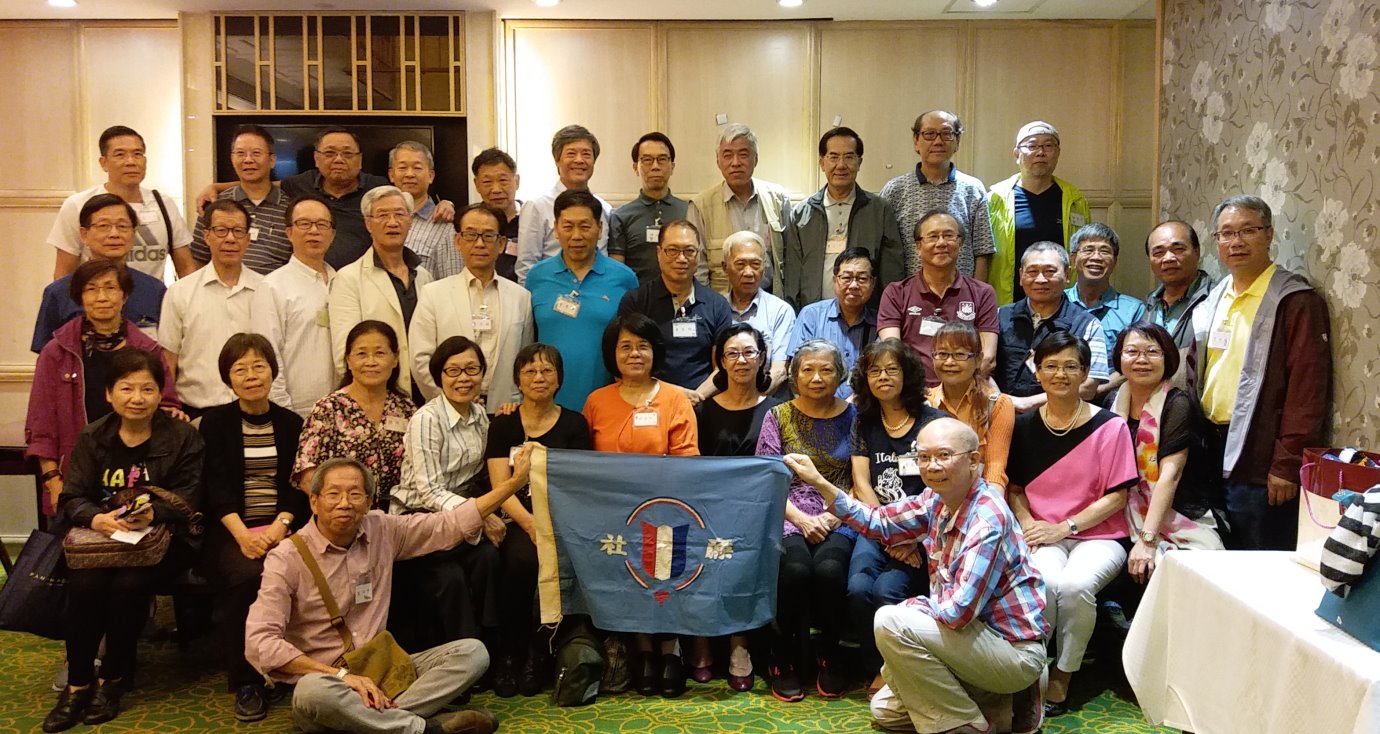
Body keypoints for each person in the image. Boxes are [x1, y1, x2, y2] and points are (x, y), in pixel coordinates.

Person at [782, 418, 1048, 734]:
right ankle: (997, 706)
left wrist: (908, 611)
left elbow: (958, 612)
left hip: (1009, 648)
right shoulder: (936, 500)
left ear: (973, 460)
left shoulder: (987, 518)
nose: (932, 466)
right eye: (923, 457)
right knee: (884, 710)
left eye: (944, 455)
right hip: (968, 645)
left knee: (891, 621)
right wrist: (819, 481)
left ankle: (970, 723)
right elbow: (879, 522)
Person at [246, 452, 536, 734]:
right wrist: (341, 676)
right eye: (333, 494)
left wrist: (512, 485)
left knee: (473, 653)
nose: (344, 503)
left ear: (368, 501)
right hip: (330, 682)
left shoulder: (381, 530)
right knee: (311, 693)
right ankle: (423, 728)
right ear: (314, 501)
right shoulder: (287, 558)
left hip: (386, 673)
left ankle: (375, 723)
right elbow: (260, 642)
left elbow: (449, 524)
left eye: (355, 494)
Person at [44, 349, 204, 732]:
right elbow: (72, 497)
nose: (137, 398)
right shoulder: (93, 436)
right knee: (85, 583)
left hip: (166, 540)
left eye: (147, 389)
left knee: (129, 584)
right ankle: (78, 684)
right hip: (105, 538)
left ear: (160, 393)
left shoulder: (182, 437)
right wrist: (95, 517)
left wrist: (155, 513)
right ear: (109, 394)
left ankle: (112, 679)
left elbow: (192, 497)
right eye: (126, 388)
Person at [1005, 331, 1136, 716]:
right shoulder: (1024, 426)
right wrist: (1027, 522)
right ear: (1037, 372)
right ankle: (1035, 667)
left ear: (1084, 373)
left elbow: (1118, 496)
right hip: (1042, 532)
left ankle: (1064, 672)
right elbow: (1014, 488)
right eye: (1051, 366)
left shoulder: (1110, 426)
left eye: (1070, 367)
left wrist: (1064, 528)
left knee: (1076, 586)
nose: (1060, 374)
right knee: (1043, 582)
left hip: (1099, 535)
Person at [1190, 195, 1330, 551]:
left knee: (1257, 560)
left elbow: (1307, 390)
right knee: (1216, 557)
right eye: (1226, 233)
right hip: (1211, 449)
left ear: (1268, 234)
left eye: (1247, 230)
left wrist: (1287, 464)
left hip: (1261, 457)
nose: (1236, 242)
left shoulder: (1294, 300)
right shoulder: (1214, 298)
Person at [583, 313, 699, 697]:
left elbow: (687, 460)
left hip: (666, 507)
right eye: (626, 347)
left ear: (655, 352)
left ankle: (670, 650)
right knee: (624, 572)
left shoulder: (675, 398)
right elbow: (585, 463)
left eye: (643, 346)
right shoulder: (596, 401)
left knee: (664, 566)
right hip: (612, 510)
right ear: (612, 354)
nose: (635, 354)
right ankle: (643, 651)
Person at [198, 333, 309, 722]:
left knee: (304, 569)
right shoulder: (215, 423)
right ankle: (247, 679)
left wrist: (280, 526)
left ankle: (296, 664)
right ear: (227, 378)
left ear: (272, 371)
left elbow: (298, 486)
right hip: (231, 530)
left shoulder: (292, 423)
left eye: (258, 366)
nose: (251, 375)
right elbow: (214, 487)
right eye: (240, 369)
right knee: (249, 577)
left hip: (282, 527)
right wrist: (243, 536)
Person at [26, 260, 180, 520]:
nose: (101, 297)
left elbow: (167, 406)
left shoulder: (148, 350)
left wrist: (172, 413)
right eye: (91, 289)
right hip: (73, 480)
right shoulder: (56, 352)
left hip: (136, 484)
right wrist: (53, 481)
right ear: (79, 297)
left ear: (125, 295)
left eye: (110, 288)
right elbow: (41, 426)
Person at [483, 343, 593, 697]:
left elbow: (577, 485)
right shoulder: (503, 424)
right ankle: (509, 654)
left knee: (556, 558)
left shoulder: (575, 424)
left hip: (560, 518)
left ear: (559, 379)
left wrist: (548, 525)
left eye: (547, 370)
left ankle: (539, 653)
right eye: (529, 371)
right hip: (517, 517)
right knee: (520, 559)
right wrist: (530, 524)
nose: (539, 377)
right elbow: (500, 486)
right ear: (518, 379)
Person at [755, 339, 857, 702]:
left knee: (830, 570)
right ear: (795, 375)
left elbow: (860, 478)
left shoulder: (856, 417)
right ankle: (782, 657)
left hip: (840, 512)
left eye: (826, 370)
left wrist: (833, 514)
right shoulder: (777, 415)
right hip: (788, 511)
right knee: (795, 570)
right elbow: (768, 477)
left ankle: (829, 652)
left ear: (840, 375)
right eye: (808, 370)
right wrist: (801, 519)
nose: (817, 378)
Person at [388, 337, 503, 658]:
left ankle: (493, 650)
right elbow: (429, 490)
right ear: (439, 376)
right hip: (417, 516)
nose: (463, 378)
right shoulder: (427, 419)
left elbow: (479, 476)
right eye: (453, 371)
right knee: (450, 579)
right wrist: (478, 515)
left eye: (471, 369)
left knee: (489, 560)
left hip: (459, 517)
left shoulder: (480, 416)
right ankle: (461, 660)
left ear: (482, 373)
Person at [845, 339, 947, 694]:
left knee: (887, 590)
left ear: (908, 375)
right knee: (858, 589)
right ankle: (877, 667)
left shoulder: (934, 423)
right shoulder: (864, 422)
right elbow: (861, 483)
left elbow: (944, 490)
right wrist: (888, 533)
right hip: (879, 528)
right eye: (874, 371)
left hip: (923, 533)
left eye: (892, 369)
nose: (883, 377)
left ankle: (900, 669)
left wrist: (910, 536)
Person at [694, 323, 782, 692]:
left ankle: (739, 644)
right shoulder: (703, 410)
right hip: (708, 507)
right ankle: (700, 643)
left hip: (759, 510)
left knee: (746, 557)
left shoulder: (777, 410)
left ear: (761, 359)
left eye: (749, 352)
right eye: (732, 354)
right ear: (721, 362)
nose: (741, 360)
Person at [1109, 322, 1224, 588]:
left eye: (1152, 352)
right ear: (1119, 357)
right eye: (1132, 352)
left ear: (1167, 357)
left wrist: (1148, 539)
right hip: (1123, 511)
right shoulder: (1114, 403)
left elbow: (1170, 477)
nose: (1142, 360)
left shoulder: (1177, 403)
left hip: (1177, 512)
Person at [526, 189, 640, 410]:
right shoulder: (536, 277)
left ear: (600, 229)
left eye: (585, 226)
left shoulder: (624, 278)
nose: (576, 235)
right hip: (547, 405)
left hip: (608, 403)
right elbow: (527, 340)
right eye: (568, 226)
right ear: (556, 229)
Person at [410, 203, 534, 409]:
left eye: (488, 236)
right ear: (458, 241)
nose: (479, 243)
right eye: (470, 235)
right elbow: (420, 358)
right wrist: (449, 399)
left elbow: (525, 359)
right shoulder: (433, 294)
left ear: (501, 244)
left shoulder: (521, 297)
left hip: (504, 409)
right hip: (449, 409)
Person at [158, 199, 272, 415]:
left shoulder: (266, 289)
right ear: (206, 236)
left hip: (255, 408)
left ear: (248, 239)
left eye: (238, 231)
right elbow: (169, 357)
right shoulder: (180, 292)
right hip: (195, 411)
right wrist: (167, 408)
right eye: (221, 230)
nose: (230, 238)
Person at [49, 125, 196, 280]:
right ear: (103, 163)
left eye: (137, 154)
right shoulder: (78, 205)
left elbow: (186, 267)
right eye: (120, 155)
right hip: (99, 294)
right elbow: (63, 273)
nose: (131, 162)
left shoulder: (164, 204)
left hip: (152, 294)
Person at [328, 185, 435, 399]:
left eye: (399, 214)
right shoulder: (348, 279)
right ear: (368, 224)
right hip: (377, 396)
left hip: (426, 392)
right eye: (382, 215)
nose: (392, 222)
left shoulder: (424, 277)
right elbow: (344, 354)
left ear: (410, 221)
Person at [295, 320, 415, 508]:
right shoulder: (328, 408)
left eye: (380, 353)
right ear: (349, 361)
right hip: (343, 514)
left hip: (399, 515)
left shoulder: (406, 409)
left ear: (395, 358)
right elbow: (307, 474)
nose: (371, 362)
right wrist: (343, 508)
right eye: (361, 354)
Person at [782, 126, 905, 310]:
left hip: (865, 316)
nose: (841, 165)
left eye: (849, 157)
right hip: (815, 314)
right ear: (822, 163)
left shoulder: (879, 210)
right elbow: (793, 273)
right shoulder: (802, 213)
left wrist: (888, 313)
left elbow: (892, 272)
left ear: (859, 162)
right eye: (833, 157)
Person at [32, 194, 166, 353]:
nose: (114, 234)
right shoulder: (59, 292)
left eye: (122, 226)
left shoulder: (154, 290)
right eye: (104, 226)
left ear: (133, 233)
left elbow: (166, 352)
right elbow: (48, 356)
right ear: (84, 234)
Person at [878, 210, 999, 384]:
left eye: (948, 236)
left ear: (960, 244)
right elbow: (893, 353)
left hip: (966, 390)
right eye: (933, 237)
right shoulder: (896, 293)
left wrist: (952, 392)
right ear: (918, 247)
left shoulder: (983, 293)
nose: (941, 243)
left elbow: (987, 357)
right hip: (914, 391)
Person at [617, 219, 733, 403]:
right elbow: (626, 364)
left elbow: (722, 367)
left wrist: (695, 397)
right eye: (672, 250)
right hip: (648, 404)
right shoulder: (636, 301)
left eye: (689, 251)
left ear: (698, 255)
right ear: (658, 252)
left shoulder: (717, 305)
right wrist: (673, 396)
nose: (681, 259)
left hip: (702, 404)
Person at [993, 241, 1109, 413]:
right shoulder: (998, 316)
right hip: (1001, 416)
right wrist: (1000, 402)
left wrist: (1026, 404)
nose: (1040, 279)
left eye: (1050, 271)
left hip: (1062, 420)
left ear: (1067, 274)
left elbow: (1088, 387)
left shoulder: (1087, 324)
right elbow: (981, 369)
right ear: (1021, 275)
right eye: (1032, 271)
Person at [879, 111, 994, 280]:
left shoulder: (973, 189)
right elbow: (884, 251)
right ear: (916, 141)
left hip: (960, 292)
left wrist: (976, 293)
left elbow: (982, 251)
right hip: (907, 293)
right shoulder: (894, 190)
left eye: (946, 134)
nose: (938, 141)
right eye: (929, 134)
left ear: (957, 141)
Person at [987, 121, 1092, 305]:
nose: (1041, 152)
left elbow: (1083, 254)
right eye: (1032, 145)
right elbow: (982, 255)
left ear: (1058, 153)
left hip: (1061, 304)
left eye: (1048, 145)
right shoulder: (995, 200)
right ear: (1017, 154)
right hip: (1008, 303)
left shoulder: (1075, 201)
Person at [687, 123, 793, 294]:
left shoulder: (778, 199)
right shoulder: (701, 206)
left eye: (743, 155)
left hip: (771, 300)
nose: (735, 163)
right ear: (718, 162)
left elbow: (791, 258)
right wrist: (708, 306)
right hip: (722, 302)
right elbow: (698, 268)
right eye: (727, 155)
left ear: (755, 159)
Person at [259, 194, 340, 417]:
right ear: (289, 232)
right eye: (304, 223)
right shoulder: (273, 286)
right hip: (296, 410)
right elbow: (268, 356)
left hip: (342, 408)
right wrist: (284, 413)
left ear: (332, 234)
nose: (314, 231)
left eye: (322, 224)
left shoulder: (342, 281)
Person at [189, 124, 293, 274]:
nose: (248, 160)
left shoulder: (291, 209)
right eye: (240, 153)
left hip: (275, 288)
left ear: (272, 160)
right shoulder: (213, 204)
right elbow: (198, 258)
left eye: (256, 153)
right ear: (232, 158)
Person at [515, 125, 613, 283]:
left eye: (586, 154)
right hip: (552, 291)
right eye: (571, 154)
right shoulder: (537, 206)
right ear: (557, 160)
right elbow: (526, 266)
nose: (579, 160)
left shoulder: (605, 209)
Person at [279, 128, 388, 270]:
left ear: (360, 160)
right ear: (316, 158)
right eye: (330, 153)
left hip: (364, 276)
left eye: (347, 154)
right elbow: (264, 186)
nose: (338, 160)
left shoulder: (378, 188)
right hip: (309, 275)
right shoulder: (299, 184)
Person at [926, 320, 1014, 495]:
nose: (949, 362)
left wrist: (989, 506)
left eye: (960, 354)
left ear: (978, 359)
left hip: (981, 497)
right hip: (930, 497)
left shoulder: (997, 404)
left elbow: (995, 469)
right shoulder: (924, 401)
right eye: (942, 354)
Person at [787, 248, 878, 399]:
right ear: (835, 280)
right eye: (846, 278)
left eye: (862, 278)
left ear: (873, 283)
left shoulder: (880, 323)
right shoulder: (811, 315)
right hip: (814, 403)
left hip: (863, 406)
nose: (854, 285)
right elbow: (795, 370)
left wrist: (848, 407)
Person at [608, 132, 688, 282]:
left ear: (672, 166)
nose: (655, 166)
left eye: (662, 159)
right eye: (647, 160)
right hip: (637, 295)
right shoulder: (621, 216)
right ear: (635, 168)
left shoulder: (689, 211)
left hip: (681, 293)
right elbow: (617, 273)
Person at [1142, 220, 1214, 387]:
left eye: (1178, 249)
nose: (1168, 258)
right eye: (1158, 252)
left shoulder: (1217, 300)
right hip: (1153, 400)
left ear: (1197, 251)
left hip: (1197, 402)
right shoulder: (1149, 304)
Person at [722, 231, 795, 395]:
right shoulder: (716, 308)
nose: (749, 272)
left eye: (755, 264)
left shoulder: (780, 311)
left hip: (768, 399)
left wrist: (752, 401)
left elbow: (780, 370)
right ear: (725, 267)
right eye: (740, 264)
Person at [1064, 223, 1146, 367]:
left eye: (1105, 251)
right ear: (1073, 258)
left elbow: (1138, 362)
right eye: (1088, 250)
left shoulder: (1134, 310)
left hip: (1112, 382)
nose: (1096, 257)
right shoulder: (1058, 301)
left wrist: (1098, 383)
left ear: (1115, 261)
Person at [389, 141, 462, 280]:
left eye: (417, 168)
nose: (409, 174)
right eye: (402, 168)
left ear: (431, 176)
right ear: (391, 175)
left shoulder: (446, 227)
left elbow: (452, 283)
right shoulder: (380, 220)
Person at [470, 148, 522, 281]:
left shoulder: (532, 219)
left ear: (516, 181)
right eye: (487, 182)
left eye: (503, 180)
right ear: (477, 185)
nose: (496, 190)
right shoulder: (470, 222)